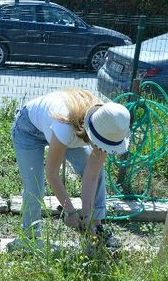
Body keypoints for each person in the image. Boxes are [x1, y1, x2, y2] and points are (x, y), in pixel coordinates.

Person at [9, 89, 130, 251]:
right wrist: (70, 211)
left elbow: (91, 177)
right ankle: (29, 237)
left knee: (99, 174)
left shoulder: (108, 124)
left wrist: (87, 217)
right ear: (92, 132)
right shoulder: (65, 126)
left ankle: (96, 229)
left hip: (73, 132)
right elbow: (52, 173)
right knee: (35, 186)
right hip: (29, 129)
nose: (103, 149)